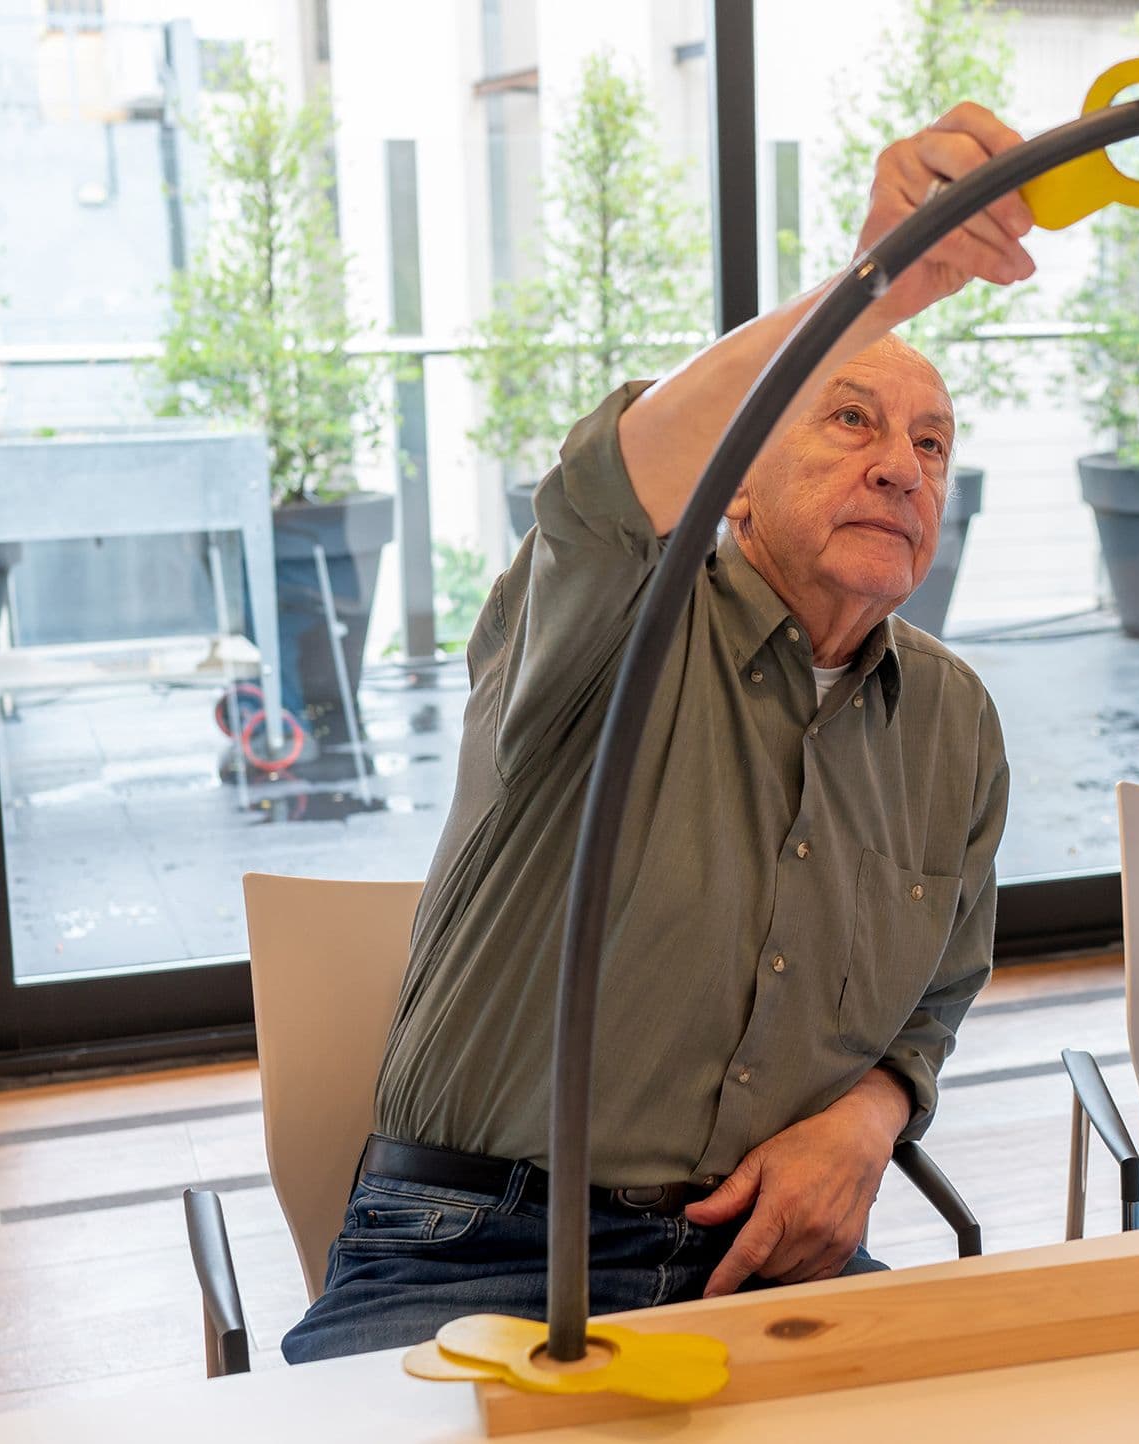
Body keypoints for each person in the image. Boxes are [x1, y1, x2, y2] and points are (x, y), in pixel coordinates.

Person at [281, 104, 1037, 1363]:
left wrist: (866, 1120)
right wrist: (873, 292)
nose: (904, 467)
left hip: (769, 1262)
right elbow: (606, 485)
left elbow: (938, 993)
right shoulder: (613, 620)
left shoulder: (954, 721)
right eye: (850, 420)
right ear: (734, 479)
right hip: (478, 1246)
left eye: (932, 444)